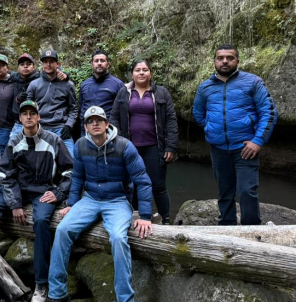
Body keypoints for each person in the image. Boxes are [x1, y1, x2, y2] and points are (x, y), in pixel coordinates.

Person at [40, 106, 153, 302]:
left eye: (99, 120)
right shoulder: (81, 145)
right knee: (62, 231)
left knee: (118, 238)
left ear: (106, 123)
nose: (95, 124)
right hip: (90, 199)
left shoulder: (124, 146)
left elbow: (142, 179)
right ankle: (57, 294)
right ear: (85, 126)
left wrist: (145, 216)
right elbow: (78, 177)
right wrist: (71, 203)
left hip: (117, 200)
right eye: (90, 121)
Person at [0, 100, 74, 302]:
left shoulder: (54, 140)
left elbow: (69, 171)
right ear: (20, 118)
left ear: (39, 117)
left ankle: (41, 284)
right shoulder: (14, 141)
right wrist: (15, 204)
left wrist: (58, 193)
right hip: (19, 190)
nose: (29, 117)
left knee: (41, 222)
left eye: (32, 113)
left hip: (43, 191)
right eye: (25, 114)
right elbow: (6, 174)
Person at [192, 45, 278, 226]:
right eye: (220, 58)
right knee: (225, 191)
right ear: (215, 61)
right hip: (218, 149)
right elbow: (198, 113)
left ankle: (251, 228)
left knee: (247, 191)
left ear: (237, 61)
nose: (225, 61)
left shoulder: (253, 82)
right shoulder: (205, 87)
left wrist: (257, 140)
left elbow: (269, 112)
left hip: (245, 148)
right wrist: (210, 127)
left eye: (230, 58)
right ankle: (227, 225)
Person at [110, 59, 179, 224]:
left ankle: (166, 219)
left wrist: (171, 146)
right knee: (133, 184)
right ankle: (137, 217)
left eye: (145, 70)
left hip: (155, 146)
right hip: (130, 147)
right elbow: (114, 117)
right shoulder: (123, 93)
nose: (141, 73)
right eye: (138, 70)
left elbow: (171, 120)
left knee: (158, 185)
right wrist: (119, 141)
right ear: (132, 74)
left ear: (150, 73)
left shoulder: (161, 93)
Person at [26, 50, 77, 154]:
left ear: (57, 64)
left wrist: (68, 125)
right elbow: (28, 109)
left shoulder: (68, 85)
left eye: (51, 61)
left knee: (70, 157)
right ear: (42, 64)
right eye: (45, 62)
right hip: (39, 127)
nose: (48, 64)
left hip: (60, 128)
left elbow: (73, 108)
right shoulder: (34, 84)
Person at [9, 53, 67, 140]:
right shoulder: (14, 78)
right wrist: (18, 99)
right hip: (18, 122)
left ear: (34, 67)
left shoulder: (39, 79)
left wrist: (65, 74)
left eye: (28, 64)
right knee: (12, 146)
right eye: (22, 64)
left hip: (35, 122)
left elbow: (53, 72)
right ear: (18, 68)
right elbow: (2, 72)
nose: (25, 66)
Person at [79, 50, 124, 128]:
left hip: (108, 128)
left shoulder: (117, 84)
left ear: (108, 64)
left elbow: (122, 110)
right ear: (92, 64)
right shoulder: (84, 84)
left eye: (102, 60)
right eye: (96, 61)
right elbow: (81, 106)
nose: (99, 63)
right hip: (86, 128)